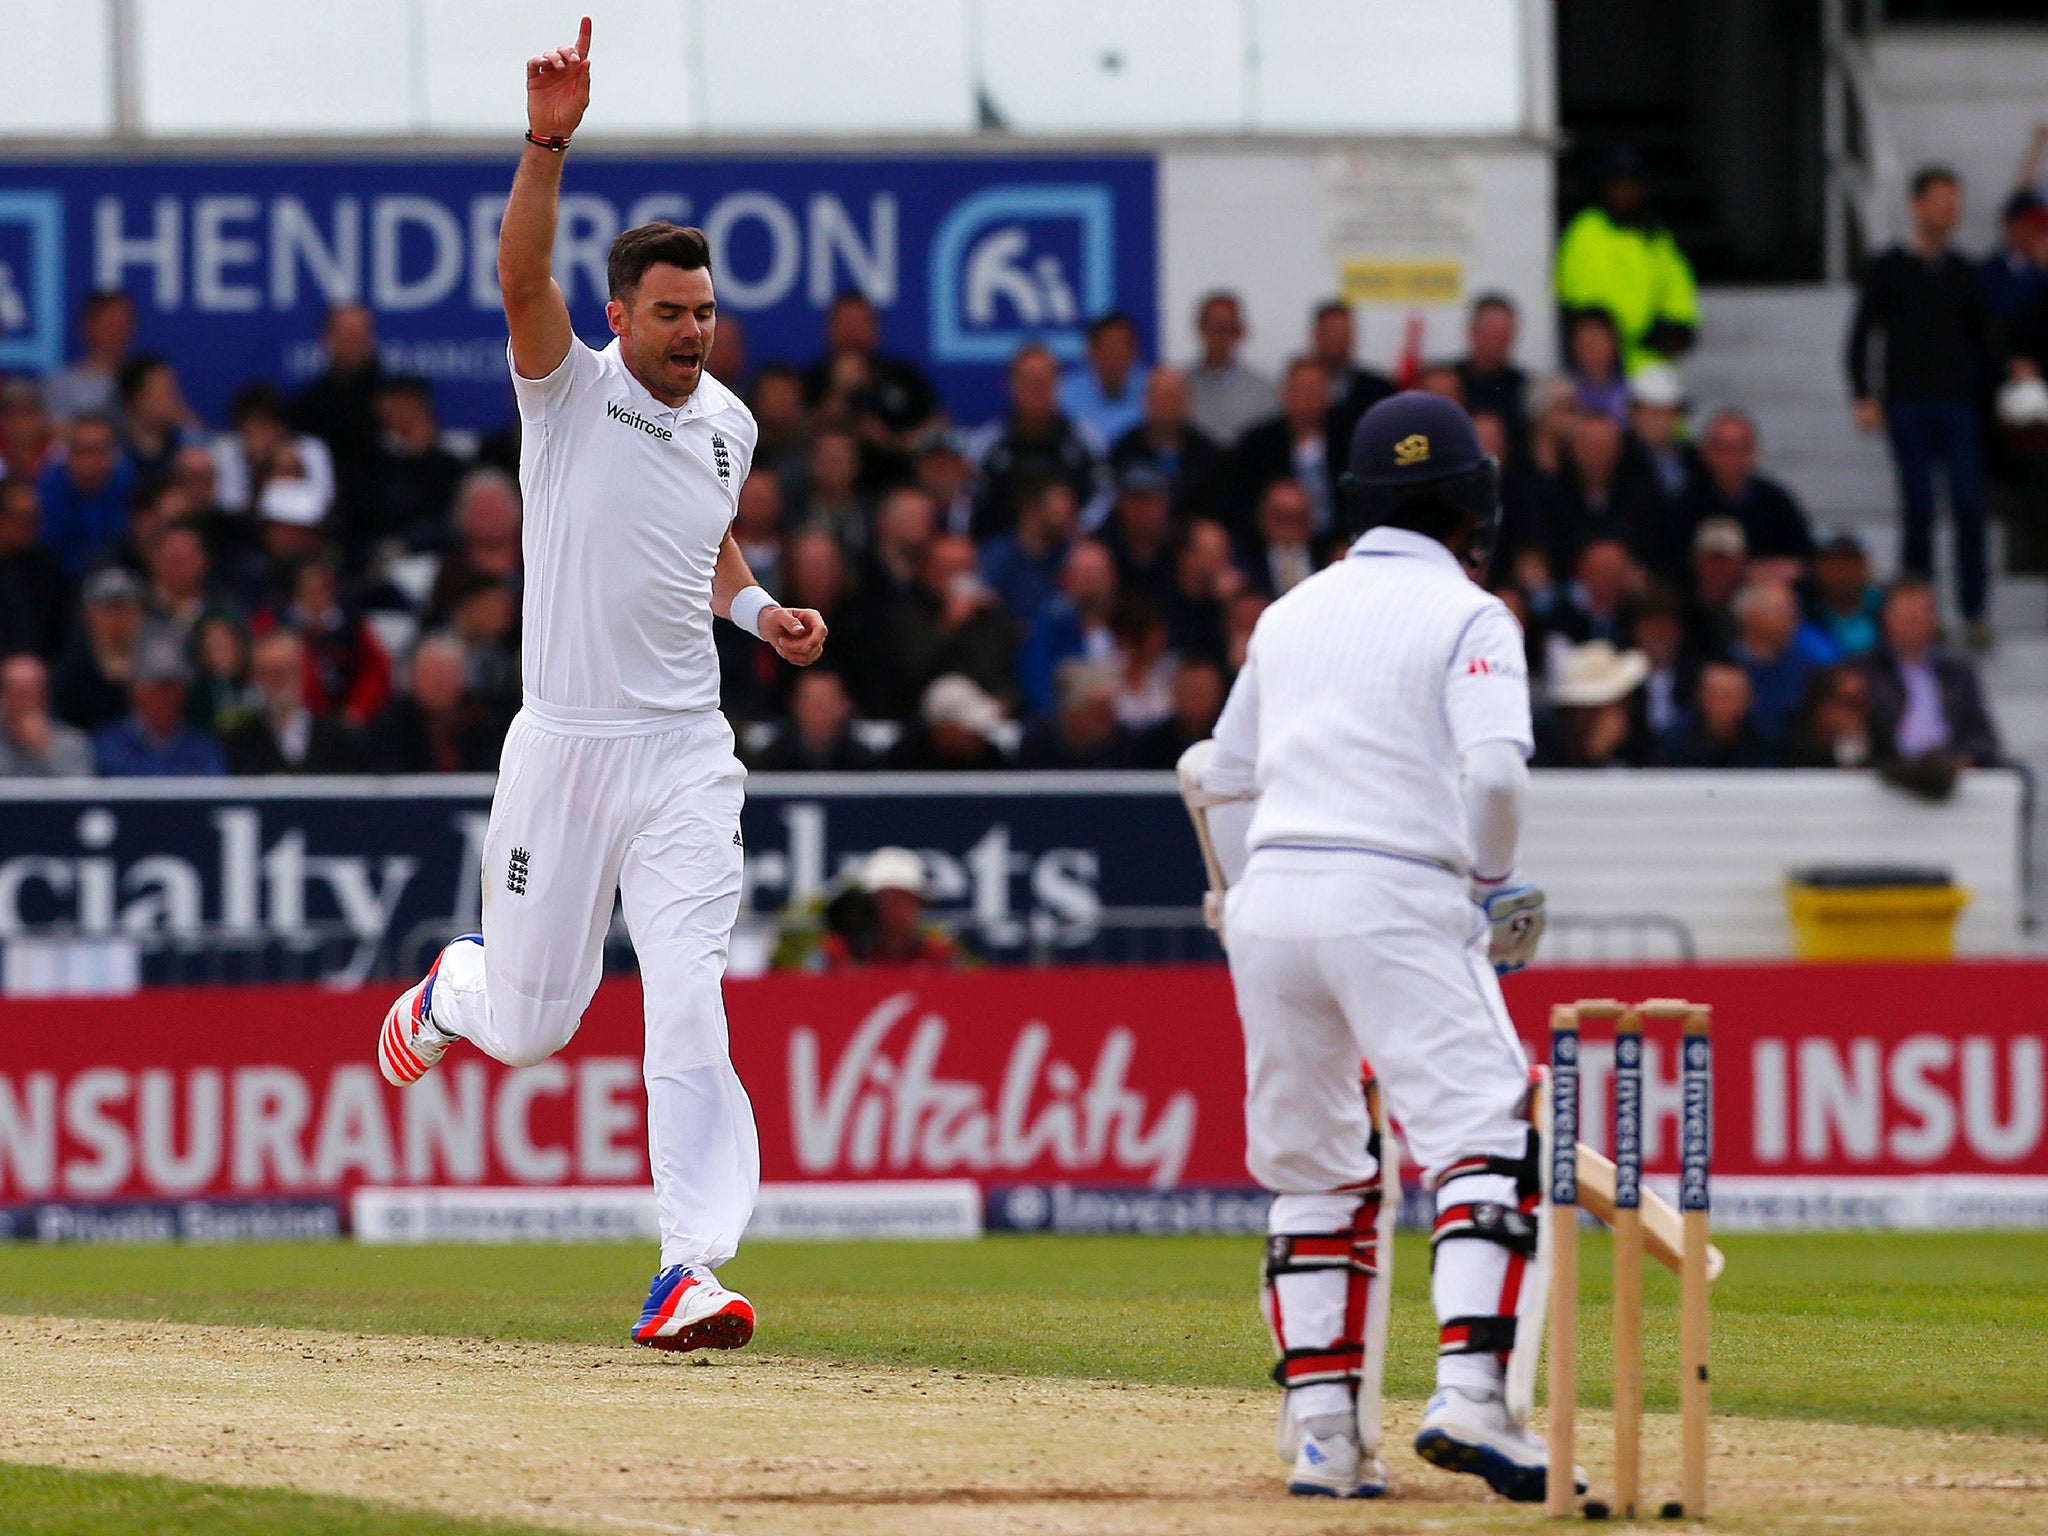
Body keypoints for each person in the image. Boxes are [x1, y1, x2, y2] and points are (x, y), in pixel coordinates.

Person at [374, 18, 827, 1361]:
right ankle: (453, 993)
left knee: (690, 992)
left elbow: (706, 544)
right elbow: (520, 273)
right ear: (619, 316)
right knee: (530, 1025)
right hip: (563, 747)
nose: (692, 332)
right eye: (669, 313)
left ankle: (690, 1267)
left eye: (704, 312)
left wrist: (758, 609)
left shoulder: (731, 423)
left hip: (688, 750)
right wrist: (547, 142)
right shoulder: (565, 391)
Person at [1189, 391, 1564, 1502]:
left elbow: (1217, 772)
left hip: (1272, 900)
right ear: (1470, 504)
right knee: (1485, 1138)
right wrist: (1490, 886)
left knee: (1313, 1169)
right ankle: (1469, 1396)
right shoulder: (1470, 614)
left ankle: (1323, 1440)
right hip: (1395, 891)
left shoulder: (1290, 611)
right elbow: (1494, 777)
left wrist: (1237, 882)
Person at [1846, 165, 1993, 639]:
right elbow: (1863, 334)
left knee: (1970, 504)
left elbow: (1983, 340)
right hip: (1908, 402)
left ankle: (1974, 610)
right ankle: (1919, 612)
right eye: (1940, 200)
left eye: (1954, 201)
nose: (1949, 210)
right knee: (1919, 508)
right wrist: (1865, 394)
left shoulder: (1965, 273)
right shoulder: (1889, 268)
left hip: (1958, 405)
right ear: (1916, 205)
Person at [1555, 145, 1699, 371]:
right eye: (1620, 183)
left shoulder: (1656, 235)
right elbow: (1581, 303)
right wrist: (1636, 333)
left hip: (1652, 367)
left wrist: (1676, 328)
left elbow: (1679, 296)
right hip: (1602, 368)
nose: (1627, 190)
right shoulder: (1588, 229)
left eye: (1633, 183)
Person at [1858, 576, 2001, 769]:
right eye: (1907, 614)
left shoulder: (1957, 671)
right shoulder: (1864, 670)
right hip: (1891, 770)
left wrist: (1967, 757)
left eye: (1922, 612)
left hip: (1949, 769)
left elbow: (1982, 735)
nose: (1916, 620)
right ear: (1886, 618)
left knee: (2018, 774)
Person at [968, 344, 1099, 540]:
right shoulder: (987, 441)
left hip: (1068, 544)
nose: (1037, 390)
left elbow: (1104, 493)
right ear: (1012, 386)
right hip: (1000, 548)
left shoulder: (1084, 438)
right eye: (1029, 382)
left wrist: (1081, 527)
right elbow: (968, 499)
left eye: (1044, 382)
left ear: (1058, 385)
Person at [1681, 411, 1816, 577]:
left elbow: (1804, 560)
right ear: (1706, 452)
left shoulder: (1776, 503)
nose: (1730, 457)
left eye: (1738, 448)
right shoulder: (1686, 503)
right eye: (1722, 448)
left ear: (1753, 452)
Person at [359, 635, 510, 773]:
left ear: (462, 679)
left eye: (445, 675)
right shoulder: (390, 726)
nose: (438, 684)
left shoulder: (482, 722)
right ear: (412, 679)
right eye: (430, 675)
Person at [222, 629, 358, 775]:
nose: (277, 681)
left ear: (300, 670)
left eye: (284, 669)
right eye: (267, 672)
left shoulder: (338, 737)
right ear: (256, 677)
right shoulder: (239, 743)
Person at [1228, 358, 1336, 536]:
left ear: (1328, 396)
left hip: (1335, 544)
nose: (1308, 397)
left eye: (1315, 390)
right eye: (1301, 389)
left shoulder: (1348, 442)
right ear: (1284, 393)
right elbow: (1241, 506)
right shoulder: (1256, 444)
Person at [92, 635, 227, 777]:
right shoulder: (107, 745)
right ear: (134, 690)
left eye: (172, 686)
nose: (165, 696)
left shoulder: (204, 748)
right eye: (156, 687)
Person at [1107, 365, 1227, 523]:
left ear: (1187, 402)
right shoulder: (1124, 450)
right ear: (1146, 401)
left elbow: (1218, 511)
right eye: (1160, 397)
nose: (1167, 405)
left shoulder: (1209, 454)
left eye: (1173, 397)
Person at [1728, 578, 1837, 749]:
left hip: (1793, 766)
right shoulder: (1722, 665)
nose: (1793, 618)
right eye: (1782, 611)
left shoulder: (1807, 671)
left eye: (1792, 611)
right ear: (1751, 616)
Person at [1019, 537, 1118, 715]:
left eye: (1096, 571)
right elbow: (1037, 681)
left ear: (1112, 577)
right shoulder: (1050, 624)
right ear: (1067, 579)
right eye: (1082, 572)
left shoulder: (1127, 623)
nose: (1090, 579)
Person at [51, 566, 147, 731]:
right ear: (89, 614)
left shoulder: (159, 662)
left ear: (140, 612)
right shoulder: (71, 671)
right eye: (108, 610)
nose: (117, 619)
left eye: (124, 608)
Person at [37, 414, 134, 575]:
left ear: (112, 453)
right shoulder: (47, 492)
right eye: (83, 450)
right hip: (59, 579)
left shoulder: (128, 486)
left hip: (117, 577)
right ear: (69, 454)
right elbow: (50, 546)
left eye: (99, 449)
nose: (91, 458)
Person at [977, 474, 1077, 624]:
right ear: (1031, 510)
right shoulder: (997, 556)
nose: (1069, 518)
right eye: (1060, 512)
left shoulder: (1072, 554)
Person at [1308, 299, 1396, 467]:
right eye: (1332, 332)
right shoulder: (1300, 389)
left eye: (1344, 332)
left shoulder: (1380, 390)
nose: (1339, 339)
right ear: (1316, 335)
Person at [1186, 290, 1277, 448]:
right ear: (1200, 330)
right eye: (1215, 328)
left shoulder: (1264, 389)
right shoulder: (1179, 387)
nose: (1220, 337)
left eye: (1227, 329)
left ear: (1241, 332)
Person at [748, 669, 878, 773]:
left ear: (845, 705)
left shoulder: (864, 762)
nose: (819, 709)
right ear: (795, 705)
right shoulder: (772, 761)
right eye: (812, 702)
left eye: (826, 702)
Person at [0, 477, 71, 661]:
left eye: (36, 519)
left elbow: (59, 633)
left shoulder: (45, 568)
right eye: (24, 519)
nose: (33, 529)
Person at [1017, 659, 1132, 769]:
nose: (1108, 719)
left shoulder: (1125, 744)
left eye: (1109, 710)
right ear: (1071, 712)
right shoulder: (1037, 743)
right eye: (1098, 713)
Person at [1059, 311, 1150, 448]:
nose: (1114, 356)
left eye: (1121, 348)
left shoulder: (1152, 390)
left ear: (1134, 352)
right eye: (1108, 347)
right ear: (1091, 352)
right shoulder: (1063, 393)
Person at [1661, 659, 1773, 768]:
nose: (1723, 705)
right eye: (1716, 696)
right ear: (1700, 697)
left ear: (1748, 700)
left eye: (1731, 697)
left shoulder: (1767, 743)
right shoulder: (1674, 744)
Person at [44, 290, 135, 423]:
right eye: (110, 323)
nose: (116, 331)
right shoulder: (62, 385)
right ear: (88, 325)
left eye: (123, 323)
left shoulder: (146, 383)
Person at [1455, 295, 1531, 451]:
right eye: (1494, 334)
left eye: (1506, 334)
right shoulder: (1450, 380)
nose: (1501, 342)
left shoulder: (1525, 386)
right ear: (1473, 332)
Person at [0, 653, 94, 777]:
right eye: (16, 691)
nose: (24, 701)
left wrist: (43, 750)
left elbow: (81, 792)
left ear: (45, 694)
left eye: (31, 691)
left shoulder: (72, 743)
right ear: (2, 694)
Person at [1808, 533, 1884, 657]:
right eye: (1834, 566)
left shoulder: (1883, 607)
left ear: (1864, 568)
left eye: (1850, 566)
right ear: (1819, 569)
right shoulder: (1804, 614)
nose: (1842, 575)